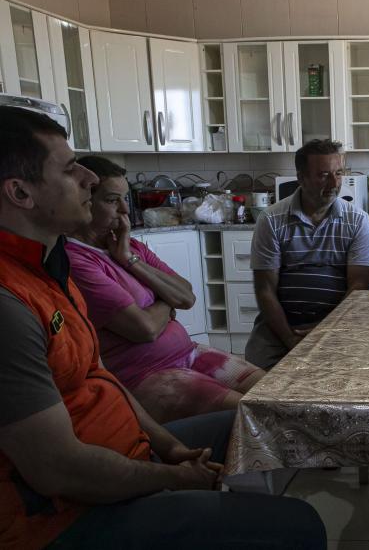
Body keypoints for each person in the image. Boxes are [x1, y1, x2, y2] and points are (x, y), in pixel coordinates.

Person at [0, 106, 325, 548]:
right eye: (69, 168)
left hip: (129, 443)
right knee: (298, 526)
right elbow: (57, 469)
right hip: (65, 517)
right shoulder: (12, 301)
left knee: (267, 417)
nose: (89, 180)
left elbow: (102, 376)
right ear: (20, 193)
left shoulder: (49, 268)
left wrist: (167, 447)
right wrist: (170, 477)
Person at [65, 156, 266, 423]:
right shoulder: (76, 261)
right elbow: (145, 329)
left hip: (189, 353)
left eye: (125, 198)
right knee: (249, 414)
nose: (125, 209)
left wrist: (129, 261)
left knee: (272, 393)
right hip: (147, 374)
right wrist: (167, 301)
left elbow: (187, 295)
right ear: (84, 200)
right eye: (112, 200)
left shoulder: (128, 247)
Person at [245, 139, 369, 369]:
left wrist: (324, 330)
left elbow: (359, 286)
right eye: (324, 175)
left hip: (339, 323)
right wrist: (290, 339)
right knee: (262, 386)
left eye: (339, 173)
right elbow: (264, 290)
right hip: (280, 326)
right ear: (301, 177)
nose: (335, 183)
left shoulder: (357, 220)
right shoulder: (271, 220)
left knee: (352, 378)